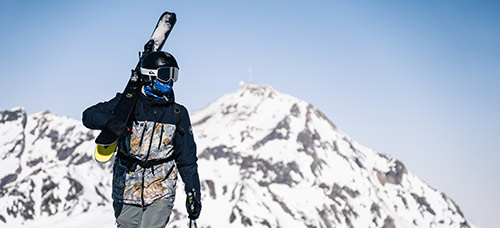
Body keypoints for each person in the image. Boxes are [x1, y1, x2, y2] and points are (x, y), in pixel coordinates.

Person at [82, 51, 201, 228]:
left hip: (161, 188)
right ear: (150, 75)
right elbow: (89, 116)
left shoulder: (177, 113)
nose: (170, 80)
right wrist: (111, 123)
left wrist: (193, 192)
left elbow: (187, 159)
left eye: (173, 74)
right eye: (165, 74)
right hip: (127, 188)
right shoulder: (127, 105)